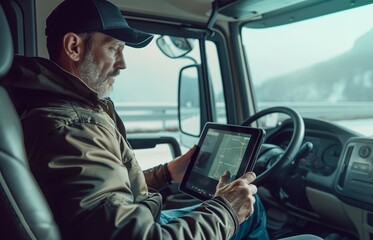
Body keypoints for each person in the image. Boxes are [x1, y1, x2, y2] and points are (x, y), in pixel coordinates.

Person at [2, 0, 269, 239]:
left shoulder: (60, 108)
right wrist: (227, 210)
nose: (122, 63)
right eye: (114, 49)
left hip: (141, 218)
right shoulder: (74, 126)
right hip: (148, 227)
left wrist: (166, 173)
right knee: (254, 212)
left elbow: (105, 198)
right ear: (74, 47)